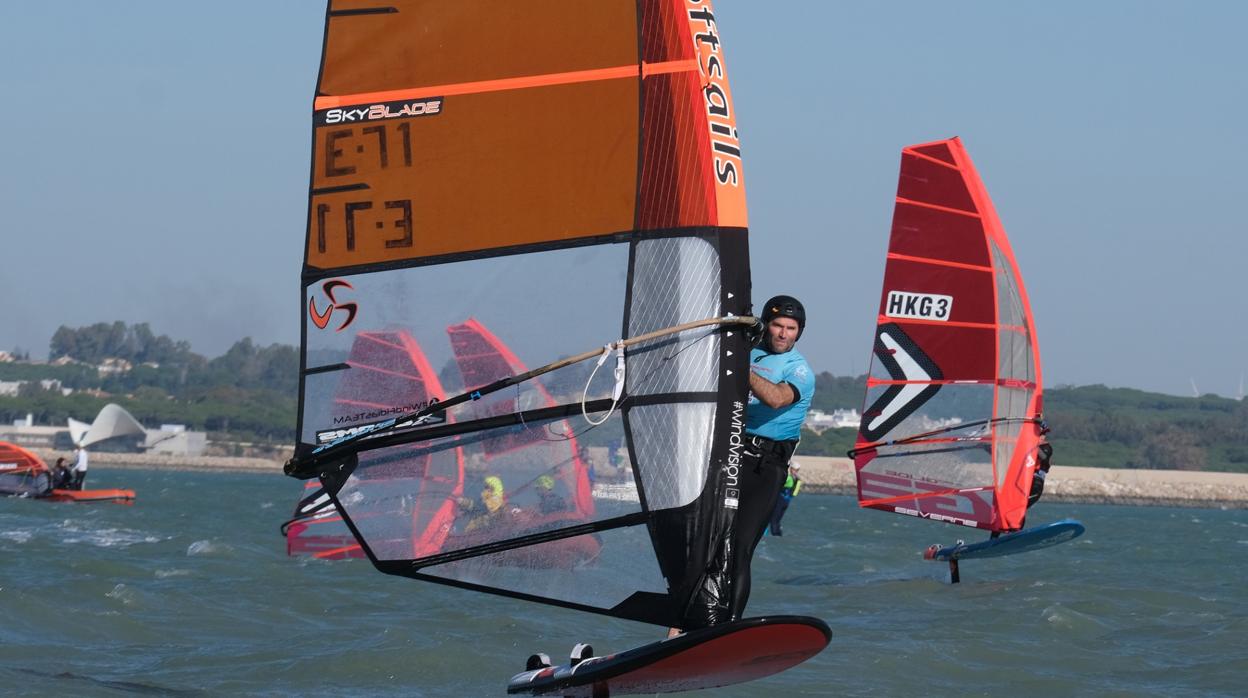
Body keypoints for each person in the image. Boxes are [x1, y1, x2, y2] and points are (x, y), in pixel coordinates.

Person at [679, 295, 815, 633]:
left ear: (799, 333)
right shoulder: (749, 353)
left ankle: (730, 626)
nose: (783, 333)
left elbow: (775, 398)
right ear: (767, 326)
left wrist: (738, 362)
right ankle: (685, 622)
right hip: (731, 456)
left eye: (791, 328)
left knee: (740, 548)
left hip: (765, 469)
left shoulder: (799, 369)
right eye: (778, 325)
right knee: (707, 541)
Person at [767, 461, 803, 536]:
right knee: (777, 519)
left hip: (781, 500)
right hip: (787, 501)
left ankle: (774, 534)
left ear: (792, 469)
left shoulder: (789, 478)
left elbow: (778, 482)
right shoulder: (797, 479)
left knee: (774, 519)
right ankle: (778, 534)